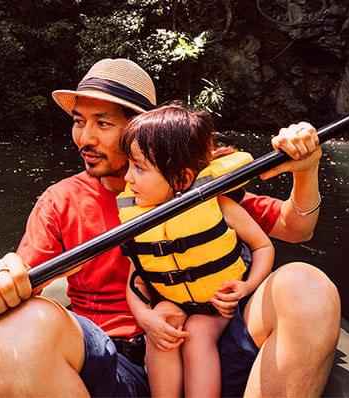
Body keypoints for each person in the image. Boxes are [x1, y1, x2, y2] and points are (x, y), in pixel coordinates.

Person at [0, 58, 341, 397]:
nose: (85, 139)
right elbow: (3, 310)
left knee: (308, 286)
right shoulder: (60, 201)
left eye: (103, 124)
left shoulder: (196, 187)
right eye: (79, 122)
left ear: (139, 129)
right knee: (13, 331)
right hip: (112, 364)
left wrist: (306, 171)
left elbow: (296, 229)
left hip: (208, 343)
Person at [117, 104, 275, 397]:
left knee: (199, 333)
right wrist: (144, 317)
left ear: (181, 179)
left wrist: (245, 286)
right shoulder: (140, 222)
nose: (127, 178)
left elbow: (263, 246)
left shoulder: (220, 205)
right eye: (129, 165)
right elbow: (135, 281)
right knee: (162, 320)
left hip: (217, 305)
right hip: (175, 301)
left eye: (138, 167)